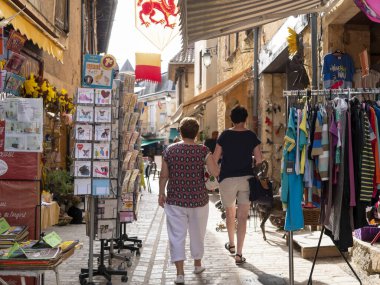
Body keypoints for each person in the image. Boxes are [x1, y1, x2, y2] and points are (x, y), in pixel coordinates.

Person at [159, 117, 219, 284]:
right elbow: (215, 171)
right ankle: (198, 264)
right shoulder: (203, 150)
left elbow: (164, 174)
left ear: (180, 132)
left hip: (175, 200)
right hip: (199, 200)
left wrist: (160, 193)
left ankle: (180, 273)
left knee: (176, 236)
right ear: (196, 134)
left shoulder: (169, 150)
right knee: (197, 233)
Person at [213, 105, 262, 265]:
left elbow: (215, 158)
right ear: (245, 118)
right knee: (242, 217)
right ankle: (239, 254)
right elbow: (260, 160)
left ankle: (231, 244)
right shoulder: (251, 135)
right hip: (247, 179)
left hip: (227, 179)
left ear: (231, 119)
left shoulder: (225, 135)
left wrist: (217, 172)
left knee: (229, 212)